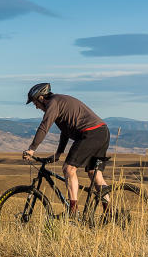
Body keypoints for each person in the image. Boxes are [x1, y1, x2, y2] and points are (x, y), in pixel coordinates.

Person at [21, 82, 110, 217]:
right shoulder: (60, 102)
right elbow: (65, 132)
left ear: (40, 98)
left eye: (35, 103)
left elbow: (44, 126)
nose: (36, 107)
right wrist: (58, 153)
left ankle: (73, 211)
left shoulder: (53, 103)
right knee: (94, 174)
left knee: (68, 169)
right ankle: (110, 213)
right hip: (102, 132)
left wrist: (32, 149)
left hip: (90, 133)